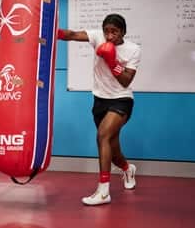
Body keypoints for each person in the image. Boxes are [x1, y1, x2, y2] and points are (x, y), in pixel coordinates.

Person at [57, 13, 141, 206]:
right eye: (107, 31)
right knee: (112, 149)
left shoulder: (133, 49)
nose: (110, 36)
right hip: (100, 100)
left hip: (121, 100)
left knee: (102, 136)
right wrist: (51, 32)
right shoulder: (97, 37)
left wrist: (113, 63)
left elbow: (127, 80)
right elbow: (72, 34)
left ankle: (103, 192)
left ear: (123, 32)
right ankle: (128, 169)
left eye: (115, 32)